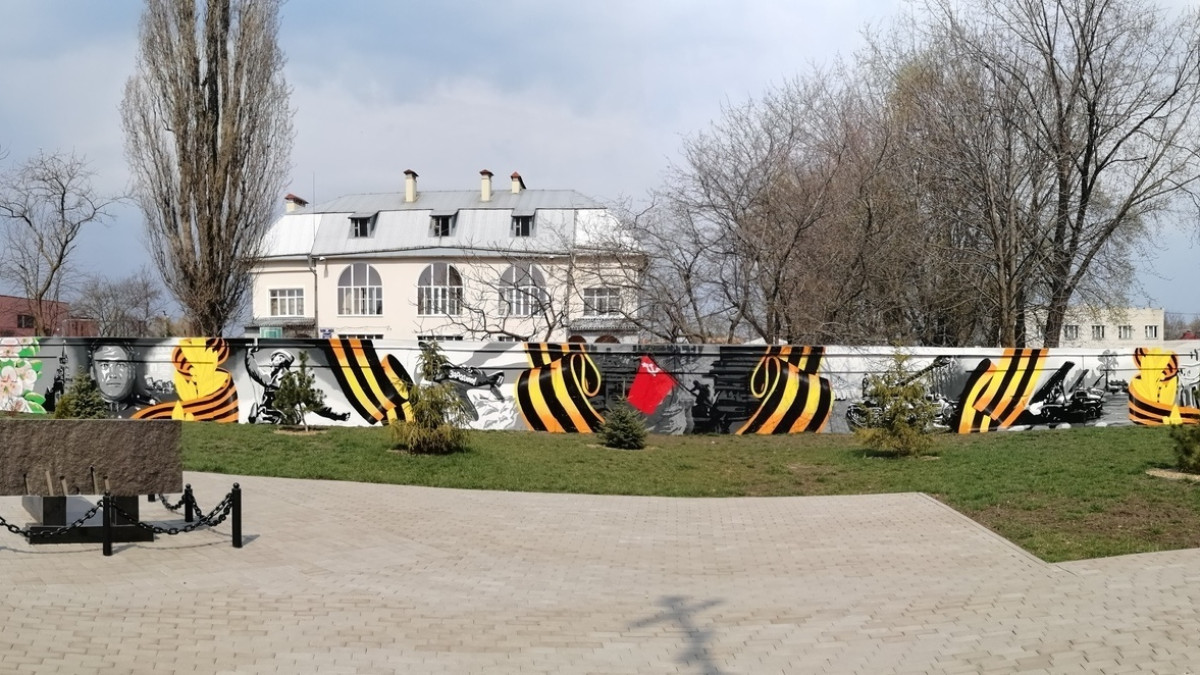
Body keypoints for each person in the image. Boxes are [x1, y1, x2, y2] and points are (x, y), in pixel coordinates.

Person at [245, 346, 348, 423]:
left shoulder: (293, 380)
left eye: (280, 357)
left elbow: (312, 403)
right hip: (268, 414)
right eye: (275, 357)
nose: (276, 359)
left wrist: (335, 415)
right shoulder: (268, 378)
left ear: (283, 361)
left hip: (286, 416)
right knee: (258, 413)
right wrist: (249, 353)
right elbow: (254, 369)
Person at [89, 342, 156, 416]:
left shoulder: (148, 412)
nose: (113, 374)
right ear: (92, 372)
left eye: (121, 365)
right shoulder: (84, 410)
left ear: (132, 371)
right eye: (104, 365)